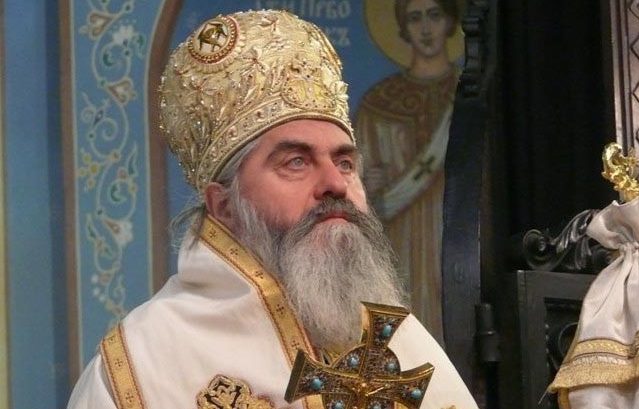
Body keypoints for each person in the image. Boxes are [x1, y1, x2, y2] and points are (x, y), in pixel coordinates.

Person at [67, 9, 477, 409]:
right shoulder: (142, 367)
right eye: (296, 162)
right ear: (224, 205)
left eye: (345, 162)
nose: (335, 183)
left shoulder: (400, 342)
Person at [354, 0, 460, 341]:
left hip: (456, 239)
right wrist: (365, 186)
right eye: (415, 18)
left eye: (434, 15)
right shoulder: (379, 103)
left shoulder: (469, 97)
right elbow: (355, 185)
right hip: (399, 242)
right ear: (402, 28)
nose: (425, 28)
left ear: (450, 22)